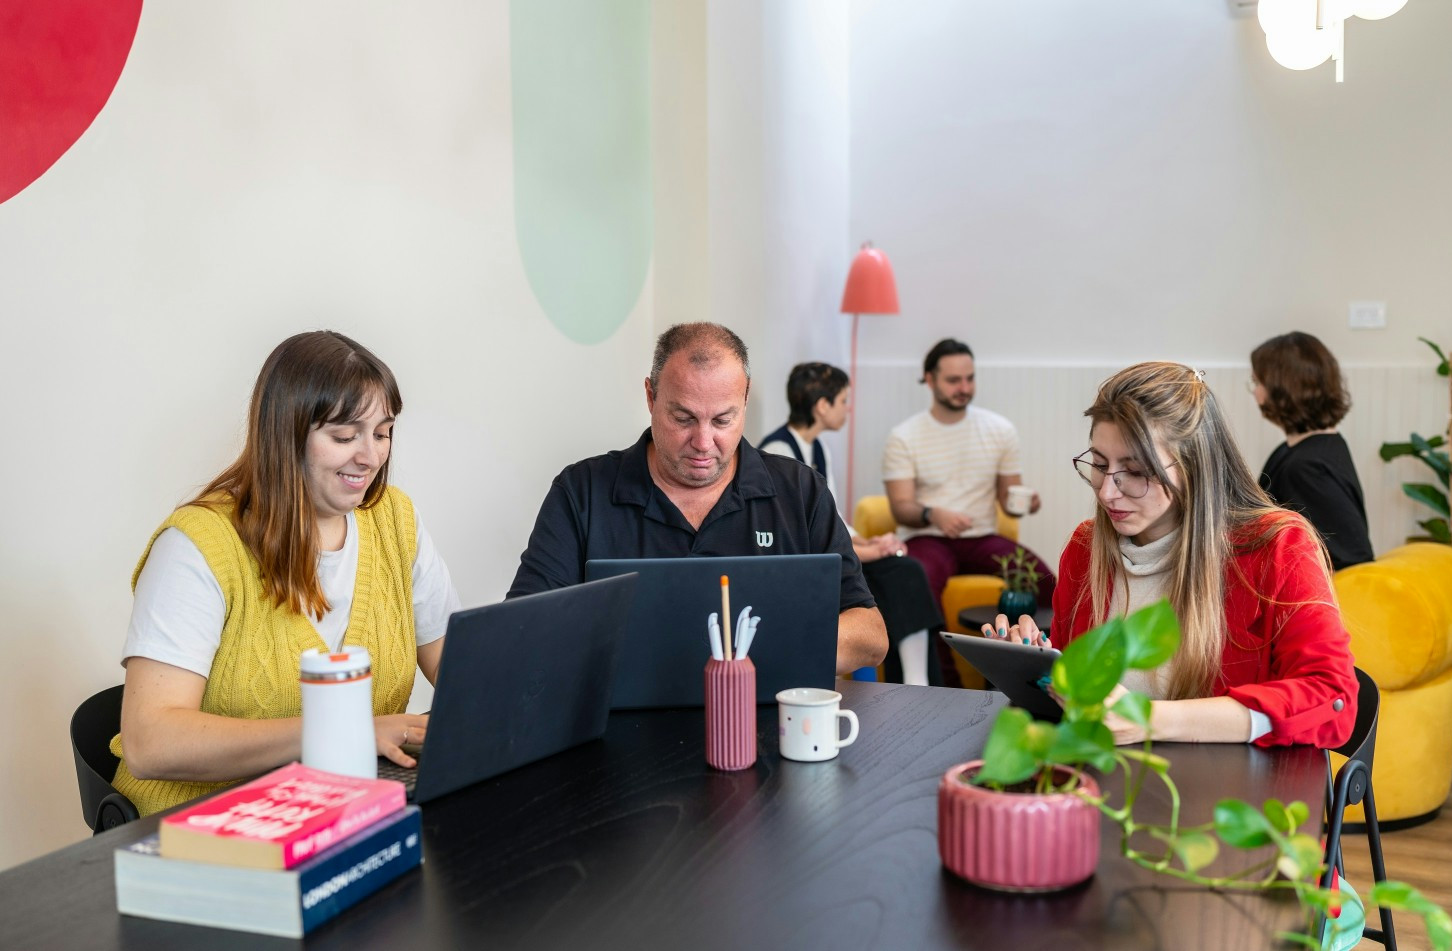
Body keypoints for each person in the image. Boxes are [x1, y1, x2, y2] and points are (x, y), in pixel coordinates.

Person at [113, 331, 461, 815]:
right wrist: (344, 732)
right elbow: (151, 743)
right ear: (285, 435)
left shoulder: (395, 521)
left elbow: (455, 666)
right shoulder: (197, 546)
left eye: (382, 433)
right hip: (201, 829)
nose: (370, 456)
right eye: (344, 436)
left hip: (336, 813)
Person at [989, 362, 1358, 749]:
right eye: (1099, 464)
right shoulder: (1086, 549)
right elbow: (1081, 702)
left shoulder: (1276, 548)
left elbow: (1333, 701)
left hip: (1222, 789)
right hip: (1106, 779)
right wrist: (1039, 666)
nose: (1107, 492)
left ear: (1194, 466)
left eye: (1134, 471)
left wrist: (1148, 720)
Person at [508, 323, 887, 675]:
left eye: (723, 420)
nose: (704, 443)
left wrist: (746, 659)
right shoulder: (582, 492)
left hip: (768, 727)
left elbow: (870, 636)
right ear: (651, 396)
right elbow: (522, 630)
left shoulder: (801, 491)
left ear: (745, 399)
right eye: (684, 418)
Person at [759, 362, 943, 684]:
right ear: (822, 406)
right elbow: (791, 533)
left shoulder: (819, 448)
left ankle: (917, 679)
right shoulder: (777, 450)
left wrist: (868, 543)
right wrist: (864, 554)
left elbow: (832, 516)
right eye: (844, 400)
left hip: (827, 552)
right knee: (897, 571)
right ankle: (912, 679)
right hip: (806, 563)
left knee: (906, 569)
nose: (849, 408)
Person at [882, 339, 1057, 662]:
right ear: (930, 379)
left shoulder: (999, 429)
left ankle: (1046, 666)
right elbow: (901, 507)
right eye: (953, 380)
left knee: (1042, 579)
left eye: (969, 378)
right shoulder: (904, 436)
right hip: (929, 537)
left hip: (982, 538)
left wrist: (1027, 502)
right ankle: (941, 683)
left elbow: (1009, 500)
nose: (964, 387)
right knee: (917, 583)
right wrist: (934, 514)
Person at [1250, 331, 1374, 571]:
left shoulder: (1305, 468)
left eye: (1257, 383)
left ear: (1283, 388)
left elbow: (1354, 558)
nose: (1254, 392)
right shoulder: (1306, 449)